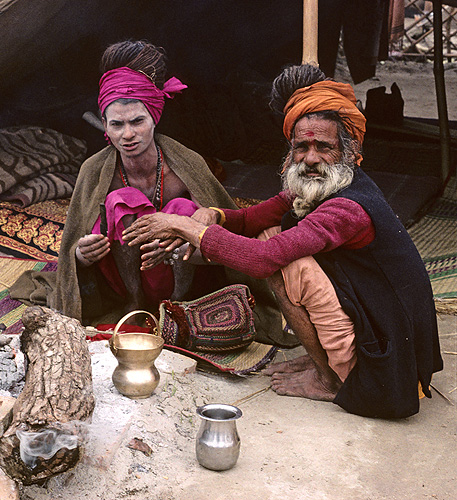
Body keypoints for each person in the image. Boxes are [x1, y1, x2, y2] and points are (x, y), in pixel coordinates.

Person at [123, 64, 443, 418]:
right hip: (373, 320)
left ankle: (332, 378)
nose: (310, 158)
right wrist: (213, 215)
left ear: (349, 152)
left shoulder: (347, 208)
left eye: (324, 147)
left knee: (282, 260)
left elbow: (263, 259)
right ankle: (330, 362)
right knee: (271, 235)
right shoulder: (312, 186)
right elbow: (250, 218)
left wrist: (184, 226)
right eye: (301, 146)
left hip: (389, 357)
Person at [50, 40, 286, 344]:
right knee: (118, 203)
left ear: (154, 118)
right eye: (117, 124)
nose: (128, 134)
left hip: (189, 279)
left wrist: (180, 235)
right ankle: (135, 304)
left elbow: (224, 237)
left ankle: (175, 305)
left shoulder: (185, 163)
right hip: (124, 282)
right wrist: (82, 255)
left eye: (137, 121)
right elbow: (73, 247)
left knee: (182, 210)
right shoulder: (94, 171)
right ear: (105, 128)